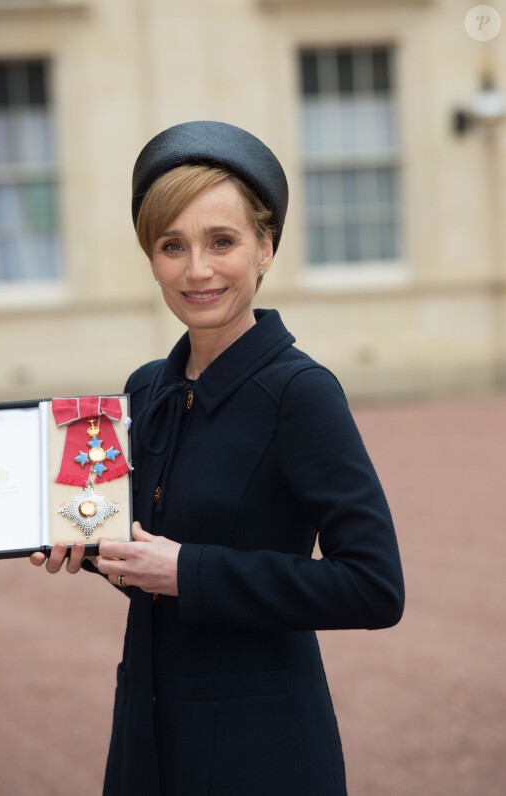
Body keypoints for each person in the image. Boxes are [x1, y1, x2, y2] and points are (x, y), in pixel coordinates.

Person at [31, 120, 404, 796]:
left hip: (259, 747)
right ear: (152, 259)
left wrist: (189, 571)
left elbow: (374, 586)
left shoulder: (300, 393)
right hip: (147, 732)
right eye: (172, 245)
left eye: (222, 241)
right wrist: (86, 546)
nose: (196, 270)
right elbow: (147, 563)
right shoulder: (145, 389)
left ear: (265, 248)